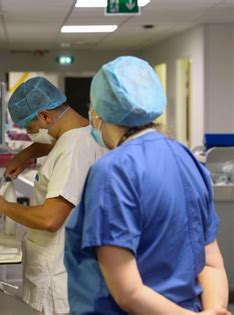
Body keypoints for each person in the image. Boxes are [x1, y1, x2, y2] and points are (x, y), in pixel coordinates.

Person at [64, 56, 230, 315]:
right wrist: (214, 311)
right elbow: (211, 265)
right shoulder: (188, 160)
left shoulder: (113, 172)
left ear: (100, 113)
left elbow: (128, 293)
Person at [0, 77, 105, 314]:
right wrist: (26, 154)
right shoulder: (85, 132)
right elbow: (55, 140)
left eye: (30, 129)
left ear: (45, 116)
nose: (30, 135)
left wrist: (3, 206)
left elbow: (50, 219)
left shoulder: (72, 152)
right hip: (70, 266)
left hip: (56, 276)